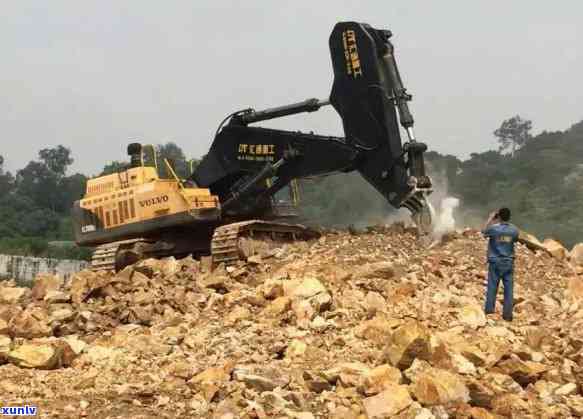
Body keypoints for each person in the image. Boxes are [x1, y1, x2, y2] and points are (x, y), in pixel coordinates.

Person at [482, 207, 519, 321]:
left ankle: (489, 311)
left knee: (492, 287)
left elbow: (483, 232)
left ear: (499, 217)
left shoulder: (494, 229)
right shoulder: (514, 230)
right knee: (508, 290)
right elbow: (515, 240)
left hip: (495, 261)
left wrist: (490, 219)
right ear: (509, 217)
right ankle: (507, 315)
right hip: (508, 262)